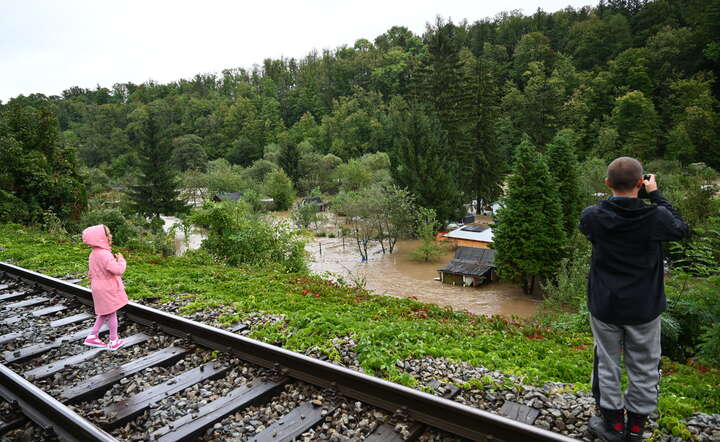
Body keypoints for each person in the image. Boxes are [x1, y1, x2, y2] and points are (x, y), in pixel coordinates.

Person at [579, 157, 689, 442]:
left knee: (606, 362)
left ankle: (613, 425)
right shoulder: (656, 217)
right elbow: (681, 228)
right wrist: (656, 194)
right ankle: (636, 428)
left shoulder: (593, 215)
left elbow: (589, 229)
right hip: (644, 307)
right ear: (641, 183)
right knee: (644, 365)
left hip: (605, 305)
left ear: (607, 183)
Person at [81, 224, 129, 351]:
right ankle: (114, 340)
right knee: (112, 313)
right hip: (107, 288)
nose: (110, 236)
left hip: (97, 286)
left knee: (104, 313)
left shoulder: (93, 254)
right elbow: (118, 270)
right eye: (107, 234)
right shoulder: (105, 254)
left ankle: (92, 335)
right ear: (101, 238)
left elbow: (90, 273)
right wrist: (121, 260)